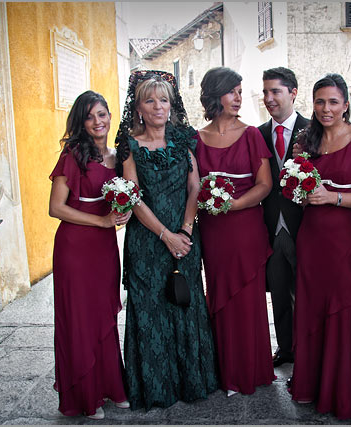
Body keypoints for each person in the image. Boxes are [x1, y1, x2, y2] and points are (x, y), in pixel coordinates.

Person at [115, 70, 218, 410]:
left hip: (185, 239)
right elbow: (133, 197)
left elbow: (195, 186)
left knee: (185, 305)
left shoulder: (184, 139)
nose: (158, 106)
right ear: (139, 109)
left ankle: (192, 382)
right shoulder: (130, 146)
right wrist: (165, 235)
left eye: (163, 100)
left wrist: (185, 231)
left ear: (172, 106)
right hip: (147, 242)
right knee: (151, 310)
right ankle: (155, 389)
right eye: (150, 101)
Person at [289, 74, 351, 419]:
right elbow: (296, 191)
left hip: (344, 238)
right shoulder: (306, 140)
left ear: (346, 105)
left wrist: (333, 197)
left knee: (340, 309)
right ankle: (309, 384)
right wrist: (296, 179)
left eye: (333, 102)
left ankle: (337, 391)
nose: (326, 109)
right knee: (309, 308)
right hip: (310, 237)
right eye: (320, 102)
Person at [49, 90, 131, 420]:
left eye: (102, 114)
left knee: (104, 315)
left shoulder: (117, 155)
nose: (98, 122)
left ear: (110, 116)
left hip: (104, 248)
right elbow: (55, 208)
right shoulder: (72, 155)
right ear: (82, 123)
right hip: (75, 247)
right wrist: (101, 220)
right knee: (80, 319)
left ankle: (112, 386)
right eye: (90, 116)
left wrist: (120, 214)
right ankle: (87, 395)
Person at [195, 66, 276, 396]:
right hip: (213, 232)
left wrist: (234, 205)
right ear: (215, 95)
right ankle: (224, 371)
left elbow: (265, 184)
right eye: (232, 91)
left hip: (245, 228)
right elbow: (191, 186)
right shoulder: (196, 139)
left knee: (247, 300)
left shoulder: (252, 134)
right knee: (219, 296)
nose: (239, 98)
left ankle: (251, 371)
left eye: (241, 91)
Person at [257, 67, 310, 368]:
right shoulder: (259, 134)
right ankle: (286, 348)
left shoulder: (313, 130)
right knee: (278, 291)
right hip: (271, 225)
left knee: (304, 293)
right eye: (265, 92)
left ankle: (306, 351)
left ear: (293, 93)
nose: (268, 98)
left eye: (275, 91)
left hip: (303, 226)